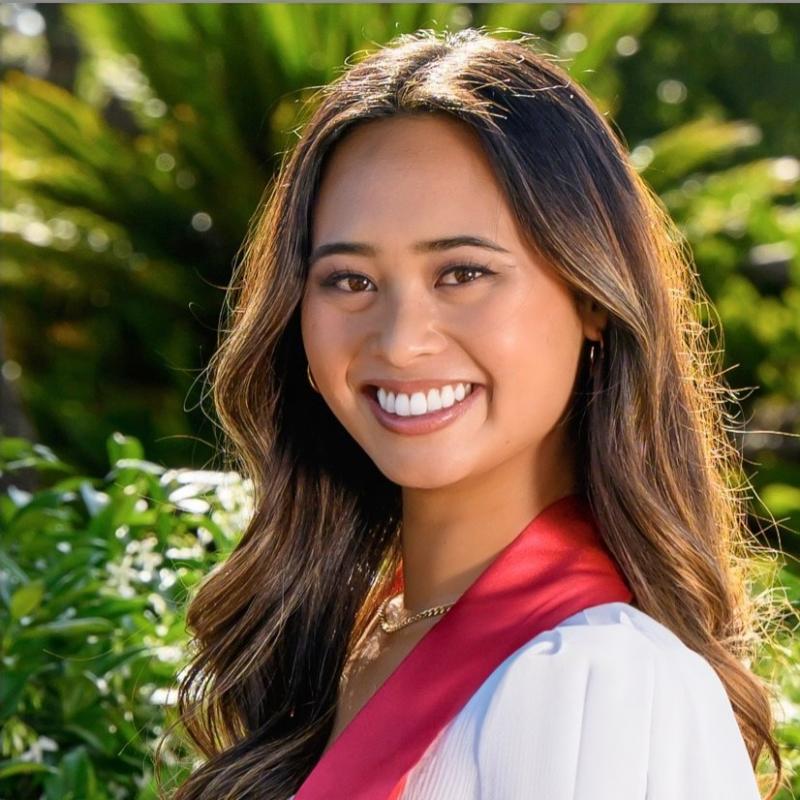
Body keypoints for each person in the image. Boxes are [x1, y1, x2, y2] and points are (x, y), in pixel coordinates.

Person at [161, 27, 785, 800]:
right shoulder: (345, 647)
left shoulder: (598, 682)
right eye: (349, 280)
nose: (399, 340)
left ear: (592, 296)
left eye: (462, 272)